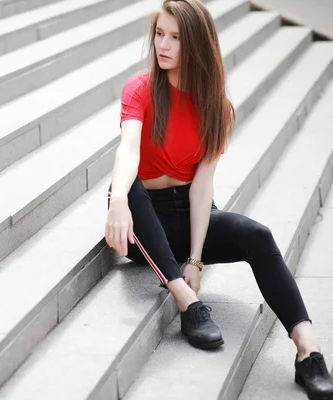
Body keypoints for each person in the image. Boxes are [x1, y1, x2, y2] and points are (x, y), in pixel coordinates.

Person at [105, 0, 333, 398]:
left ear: (196, 44)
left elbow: (202, 186)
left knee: (257, 235)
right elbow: (128, 150)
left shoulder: (218, 109)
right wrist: (119, 199)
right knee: (126, 188)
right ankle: (189, 305)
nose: (164, 44)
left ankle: (307, 349)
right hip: (143, 219)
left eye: (175, 37)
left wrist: (196, 258)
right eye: (160, 33)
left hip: (189, 214)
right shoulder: (140, 88)